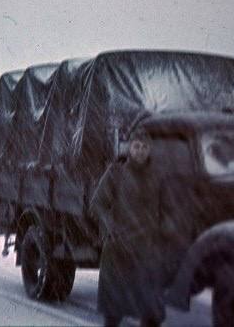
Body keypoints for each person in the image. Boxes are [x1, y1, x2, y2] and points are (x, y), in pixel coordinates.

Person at [89, 127, 166, 327]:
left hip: (147, 253)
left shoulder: (158, 177)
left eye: (144, 147)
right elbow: (97, 203)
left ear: (150, 150)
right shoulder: (116, 173)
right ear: (129, 148)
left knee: (151, 314)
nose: (140, 151)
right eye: (136, 146)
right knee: (113, 314)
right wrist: (110, 227)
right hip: (119, 251)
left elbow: (169, 210)